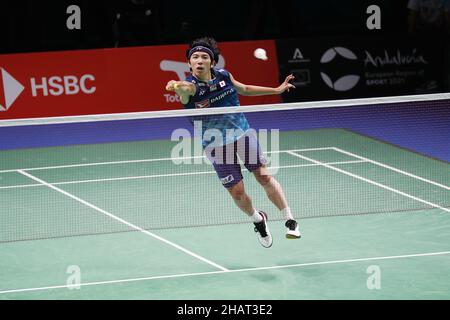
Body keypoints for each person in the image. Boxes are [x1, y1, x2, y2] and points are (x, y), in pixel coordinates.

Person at [165, 37, 300, 248]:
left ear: (212, 62)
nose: (199, 60)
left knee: (263, 175)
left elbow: (244, 88)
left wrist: (276, 90)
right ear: (190, 63)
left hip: (242, 134)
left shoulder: (224, 76)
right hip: (215, 145)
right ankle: (258, 219)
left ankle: (290, 220)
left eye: (204, 57)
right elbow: (182, 88)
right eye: (194, 57)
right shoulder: (190, 88)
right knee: (237, 192)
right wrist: (175, 85)